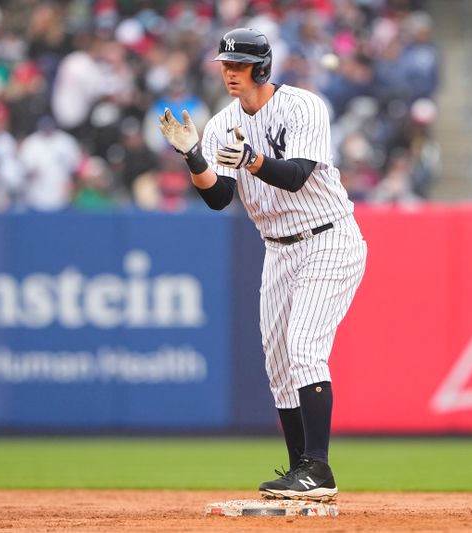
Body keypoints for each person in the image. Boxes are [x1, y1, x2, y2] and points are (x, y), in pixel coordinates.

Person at [158, 28, 367, 502]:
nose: (231, 72)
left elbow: (296, 176)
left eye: (240, 64)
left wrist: (252, 160)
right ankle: (300, 471)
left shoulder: (303, 106)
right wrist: (193, 157)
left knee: (303, 346)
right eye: (226, 65)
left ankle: (319, 469)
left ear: (262, 67)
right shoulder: (219, 124)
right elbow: (219, 198)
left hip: (328, 238)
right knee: (277, 363)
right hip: (278, 248)